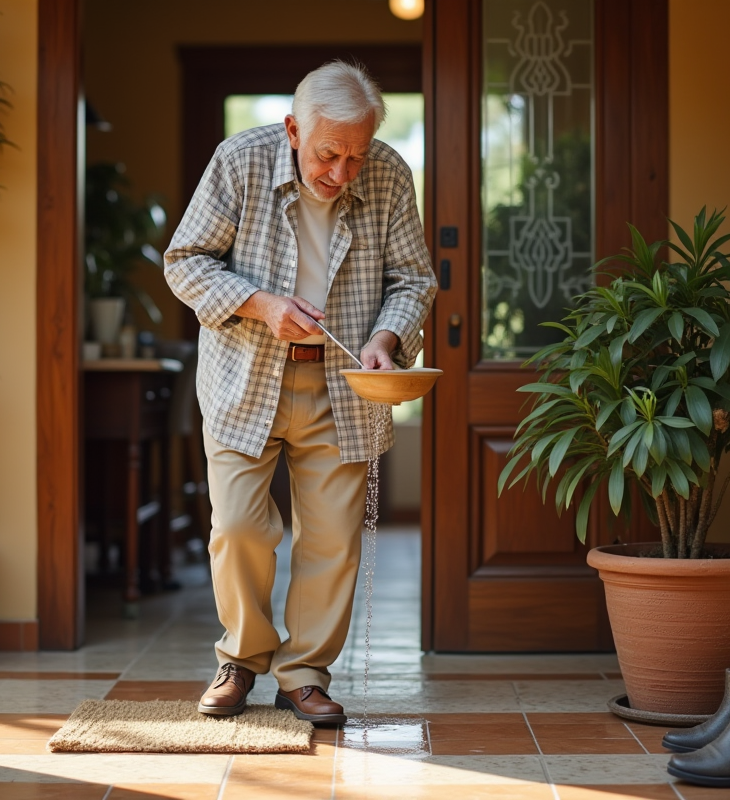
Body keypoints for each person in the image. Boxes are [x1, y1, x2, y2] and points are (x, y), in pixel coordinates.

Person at [163, 60, 436, 726]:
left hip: (340, 382)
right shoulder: (239, 162)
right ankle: (240, 660)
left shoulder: (391, 174)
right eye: (327, 154)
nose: (342, 172)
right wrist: (257, 303)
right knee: (237, 528)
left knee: (333, 540)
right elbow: (185, 261)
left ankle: (304, 674)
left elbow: (414, 281)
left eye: (355, 155)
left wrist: (388, 339)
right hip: (244, 374)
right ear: (292, 129)